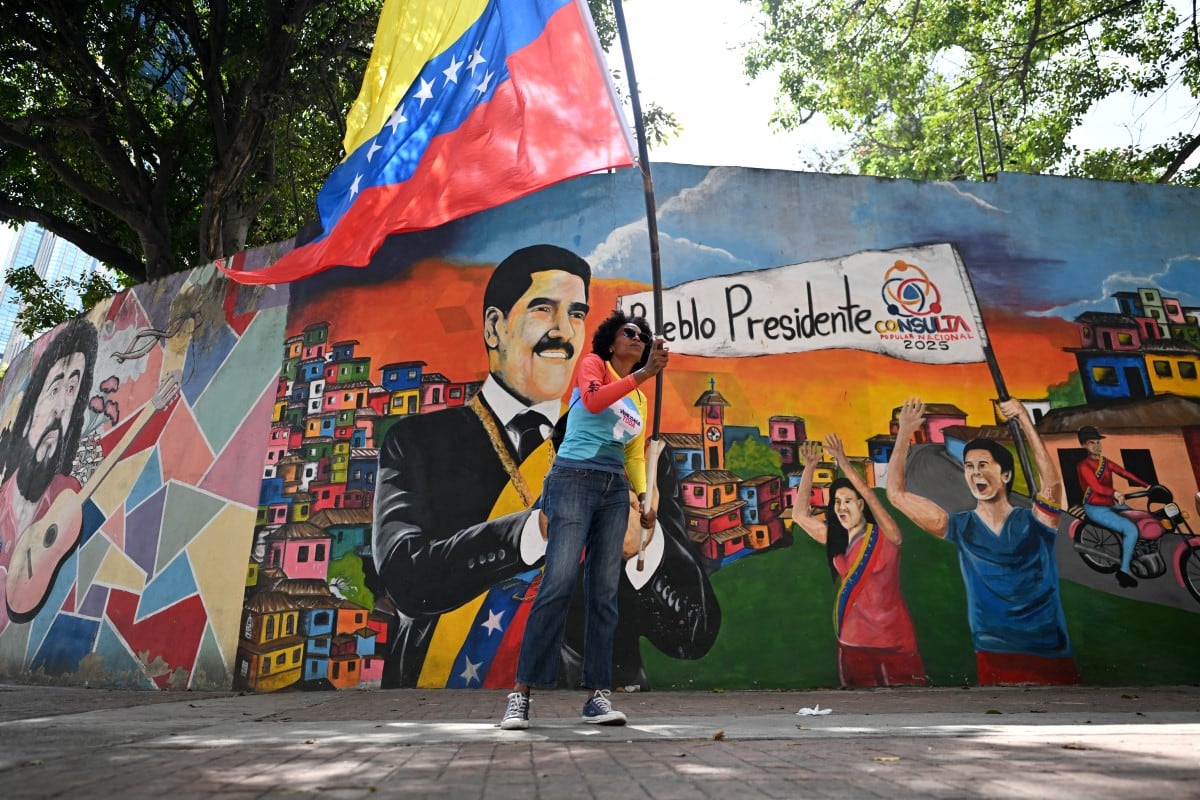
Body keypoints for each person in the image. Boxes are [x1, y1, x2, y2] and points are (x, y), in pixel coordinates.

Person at [372, 245, 718, 690]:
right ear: (495, 326)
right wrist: (536, 532)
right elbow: (406, 576)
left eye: (576, 314)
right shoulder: (416, 444)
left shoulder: (632, 440)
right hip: (449, 703)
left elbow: (693, 632)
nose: (564, 331)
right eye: (543, 309)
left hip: (597, 702)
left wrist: (645, 546)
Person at [501, 310, 666, 729]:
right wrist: (644, 373)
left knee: (605, 593)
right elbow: (593, 400)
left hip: (614, 490)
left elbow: (632, 452)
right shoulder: (594, 366)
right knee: (557, 582)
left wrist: (644, 496)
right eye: (630, 332)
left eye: (643, 335)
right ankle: (521, 694)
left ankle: (597, 696)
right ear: (611, 341)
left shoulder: (641, 398)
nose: (639, 338)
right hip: (573, 479)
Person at [886, 397, 1078, 686]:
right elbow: (897, 494)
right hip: (992, 650)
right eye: (969, 466)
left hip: (1049, 649)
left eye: (983, 465)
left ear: (1005, 475)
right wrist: (904, 434)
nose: (975, 472)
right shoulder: (960, 526)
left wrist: (1024, 420)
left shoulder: (1035, 522)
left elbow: (1050, 484)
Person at [791, 434, 926, 687]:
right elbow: (799, 515)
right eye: (837, 502)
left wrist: (844, 462)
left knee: (907, 707)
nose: (841, 507)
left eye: (848, 501)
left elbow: (872, 500)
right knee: (858, 708)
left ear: (861, 504)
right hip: (852, 644)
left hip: (894, 641)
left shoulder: (886, 537)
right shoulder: (836, 540)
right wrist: (809, 467)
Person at [0, 317, 97, 633]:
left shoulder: (67, 500)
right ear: (27, 415)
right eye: (55, 388)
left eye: (72, 388)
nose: (61, 407)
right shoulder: (3, 501)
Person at [1075, 425, 1149, 588]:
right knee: (1131, 529)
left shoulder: (1104, 462)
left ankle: (1136, 551)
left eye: (1098, 442)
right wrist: (1115, 493)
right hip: (1095, 508)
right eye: (1091, 443)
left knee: (1140, 517)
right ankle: (1123, 572)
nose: (1097, 446)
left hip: (1110, 505)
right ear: (1083, 445)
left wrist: (1147, 486)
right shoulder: (1083, 466)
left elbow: (1123, 472)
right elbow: (1097, 488)